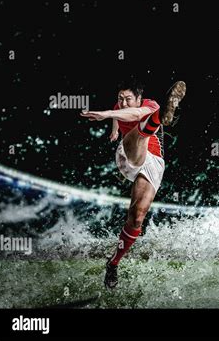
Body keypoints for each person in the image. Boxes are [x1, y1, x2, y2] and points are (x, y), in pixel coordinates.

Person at [80, 79, 186, 288]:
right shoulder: (119, 108)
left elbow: (135, 114)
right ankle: (158, 120)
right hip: (128, 154)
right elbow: (121, 115)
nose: (124, 103)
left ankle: (113, 263)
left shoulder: (151, 104)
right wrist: (114, 130)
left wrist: (107, 115)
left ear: (139, 98)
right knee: (139, 134)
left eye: (128, 99)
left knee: (137, 217)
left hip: (153, 162)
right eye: (120, 99)